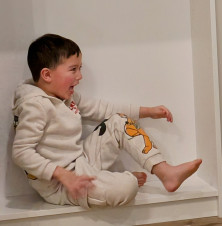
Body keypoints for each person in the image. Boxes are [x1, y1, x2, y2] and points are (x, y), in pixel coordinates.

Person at [12, 33, 202, 209]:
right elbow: (21, 153)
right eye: (73, 69)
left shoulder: (65, 97)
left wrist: (147, 111)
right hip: (61, 185)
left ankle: (166, 173)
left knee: (119, 121)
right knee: (127, 187)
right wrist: (64, 175)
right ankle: (115, 181)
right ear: (47, 75)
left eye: (80, 68)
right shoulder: (35, 106)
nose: (80, 76)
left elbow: (103, 109)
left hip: (80, 161)